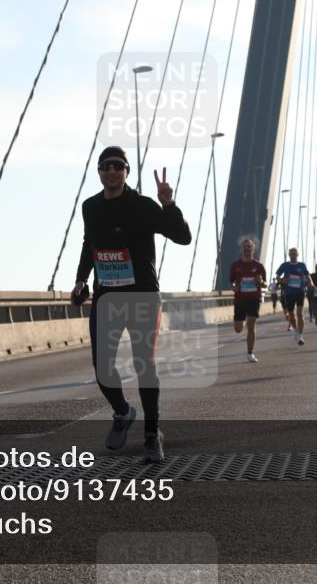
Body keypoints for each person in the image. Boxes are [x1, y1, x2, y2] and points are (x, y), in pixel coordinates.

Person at [74, 146, 191, 463]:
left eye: (118, 166)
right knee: (102, 367)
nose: (112, 171)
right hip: (107, 297)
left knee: (144, 365)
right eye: (106, 166)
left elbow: (183, 237)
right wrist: (81, 279)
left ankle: (152, 434)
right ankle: (123, 412)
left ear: (126, 171)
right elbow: (90, 244)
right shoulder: (90, 207)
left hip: (142, 296)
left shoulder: (142, 206)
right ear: (99, 171)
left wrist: (169, 205)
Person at [229, 237, 266, 363]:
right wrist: (233, 287)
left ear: (253, 249)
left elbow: (265, 283)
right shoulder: (235, 266)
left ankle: (250, 353)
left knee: (251, 324)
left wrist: (262, 282)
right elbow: (231, 282)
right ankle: (242, 321)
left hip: (254, 298)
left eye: (249, 247)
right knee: (238, 329)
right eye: (244, 247)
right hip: (240, 300)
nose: (246, 249)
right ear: (241, 250)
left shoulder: (259, 266)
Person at [275, 247, 313, 346]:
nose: (293, 255)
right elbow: (277, 277)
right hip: (288, 293)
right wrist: (282, 280)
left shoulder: (302, 265)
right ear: (289, 255)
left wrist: (311, 284)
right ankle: (296, 331)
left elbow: (307, 276)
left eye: (294, 253)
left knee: (300, 313)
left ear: (297, 254)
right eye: (291, 253)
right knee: (291, 315)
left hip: (300, 292)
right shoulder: (285, 265)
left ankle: (300, 335)